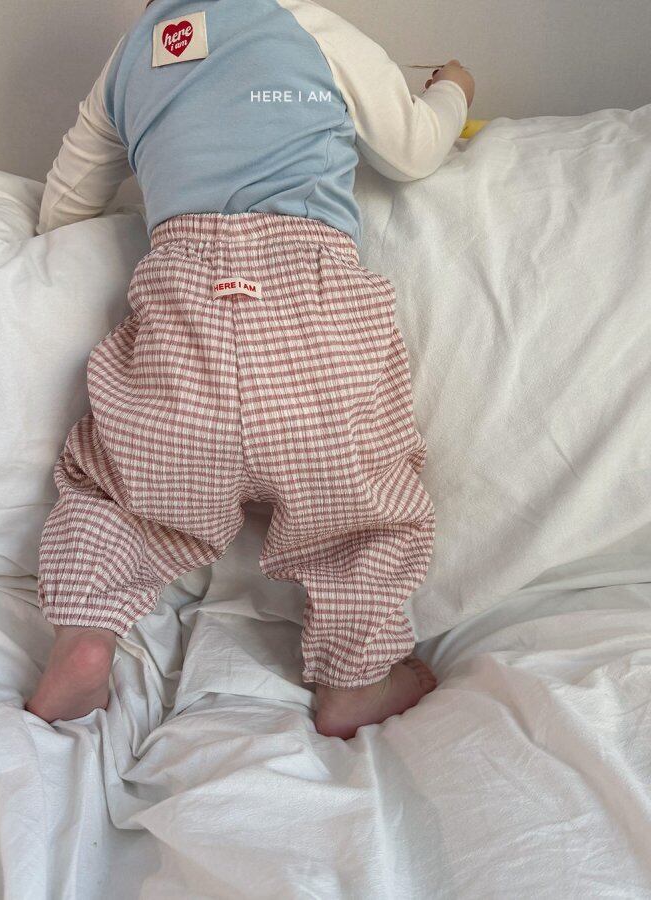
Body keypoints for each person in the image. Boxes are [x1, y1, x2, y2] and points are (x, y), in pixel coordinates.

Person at [25, 0, 475, 740]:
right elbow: (415, 150)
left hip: (182, 330)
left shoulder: (128, 62)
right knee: (361, 520)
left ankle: (84, 637)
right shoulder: (307, 26)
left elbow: (63, 210)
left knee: (113, 498)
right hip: (315, 325)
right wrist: (452, 89)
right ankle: (355, 680)